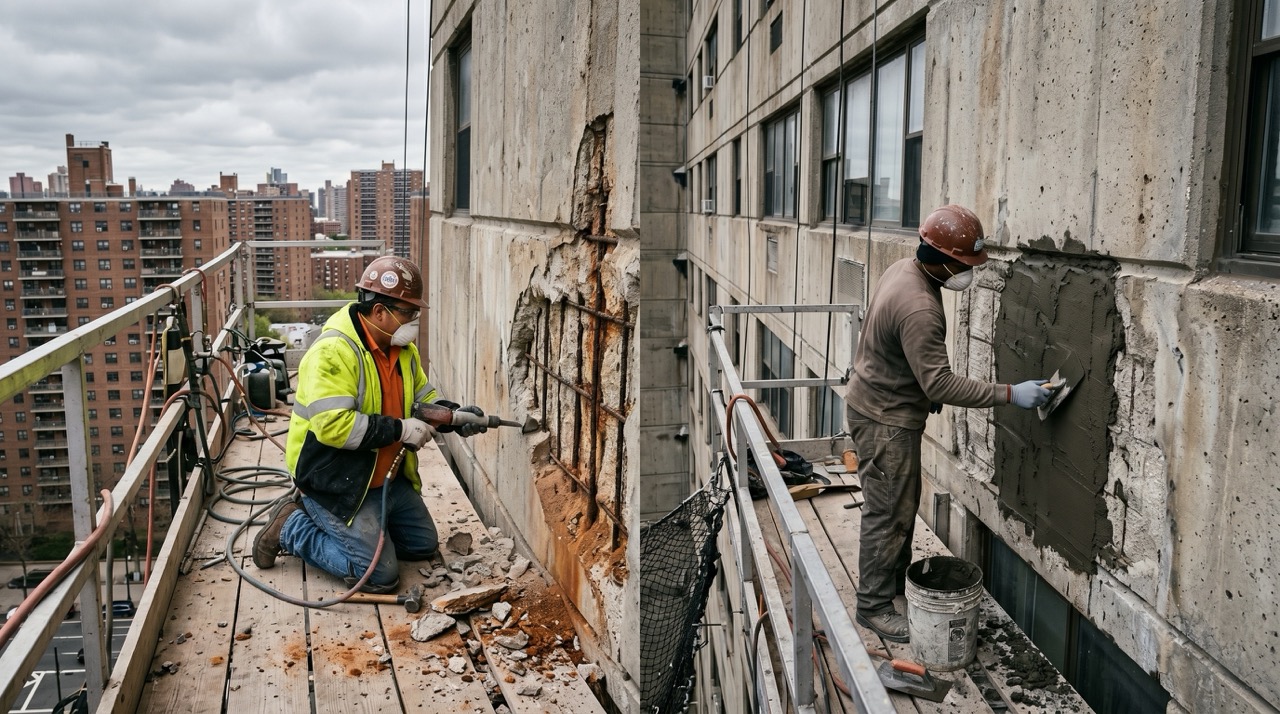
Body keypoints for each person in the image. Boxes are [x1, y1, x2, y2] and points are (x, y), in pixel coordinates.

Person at [844, 204, 1051, 642]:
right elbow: (939, 383)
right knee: (889, 512)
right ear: (942, 258)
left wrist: (921, 390)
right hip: (885, 421)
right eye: (965, 264)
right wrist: (1012, 393)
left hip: (878, 405)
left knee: (900, 503)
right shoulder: (920, 306)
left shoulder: (906, 269)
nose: (968, 273)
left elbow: (912, 365)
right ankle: (873, 606)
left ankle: (891, 582)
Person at [252, 256, 487, 593]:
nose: (413, 321)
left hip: (383, 474)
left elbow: (424, 400)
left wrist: (454, 417)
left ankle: (369, 530)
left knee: (421, 546)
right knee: (380, 576)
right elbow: (334, 426)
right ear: (379, 312)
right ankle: (291, 526)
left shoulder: (402, 349)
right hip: (335, 479)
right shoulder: (333, 352)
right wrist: (401, 430)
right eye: (407, 313)